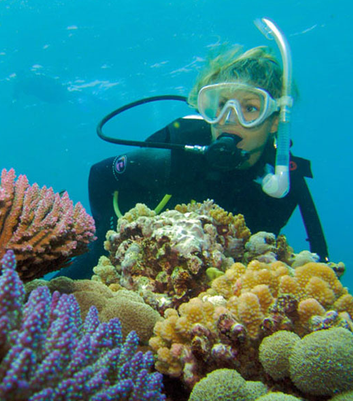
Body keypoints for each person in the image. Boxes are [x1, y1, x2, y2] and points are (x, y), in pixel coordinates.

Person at [60, 26, 328, 280]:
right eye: (222, 105)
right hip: (126, 259)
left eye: (250, 108)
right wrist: (108, 242)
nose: (230, 119)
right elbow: (101, 173)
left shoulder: (281, 182)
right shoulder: (177, 157)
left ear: (274, 122)